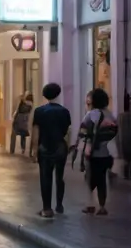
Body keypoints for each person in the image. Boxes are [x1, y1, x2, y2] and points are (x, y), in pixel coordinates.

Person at [32, 83, 72, 217]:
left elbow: (36, 132)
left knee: (45, 177)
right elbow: (67, 131)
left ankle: (47, 209)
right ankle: (59, 205)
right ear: (58, 93)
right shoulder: (65, 111)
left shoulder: (39, 111)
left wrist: (33, 149)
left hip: (45, 147)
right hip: (60, 146)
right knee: (60, 177)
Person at [79, 88, 118, 216]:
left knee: (89, 178)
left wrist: (85, 148)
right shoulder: (110, 114)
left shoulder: (91, 114)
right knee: (102, 180)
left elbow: (84, 132)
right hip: (106, 153)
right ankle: (102, 206)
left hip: (93, 153)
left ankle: (90, 205)